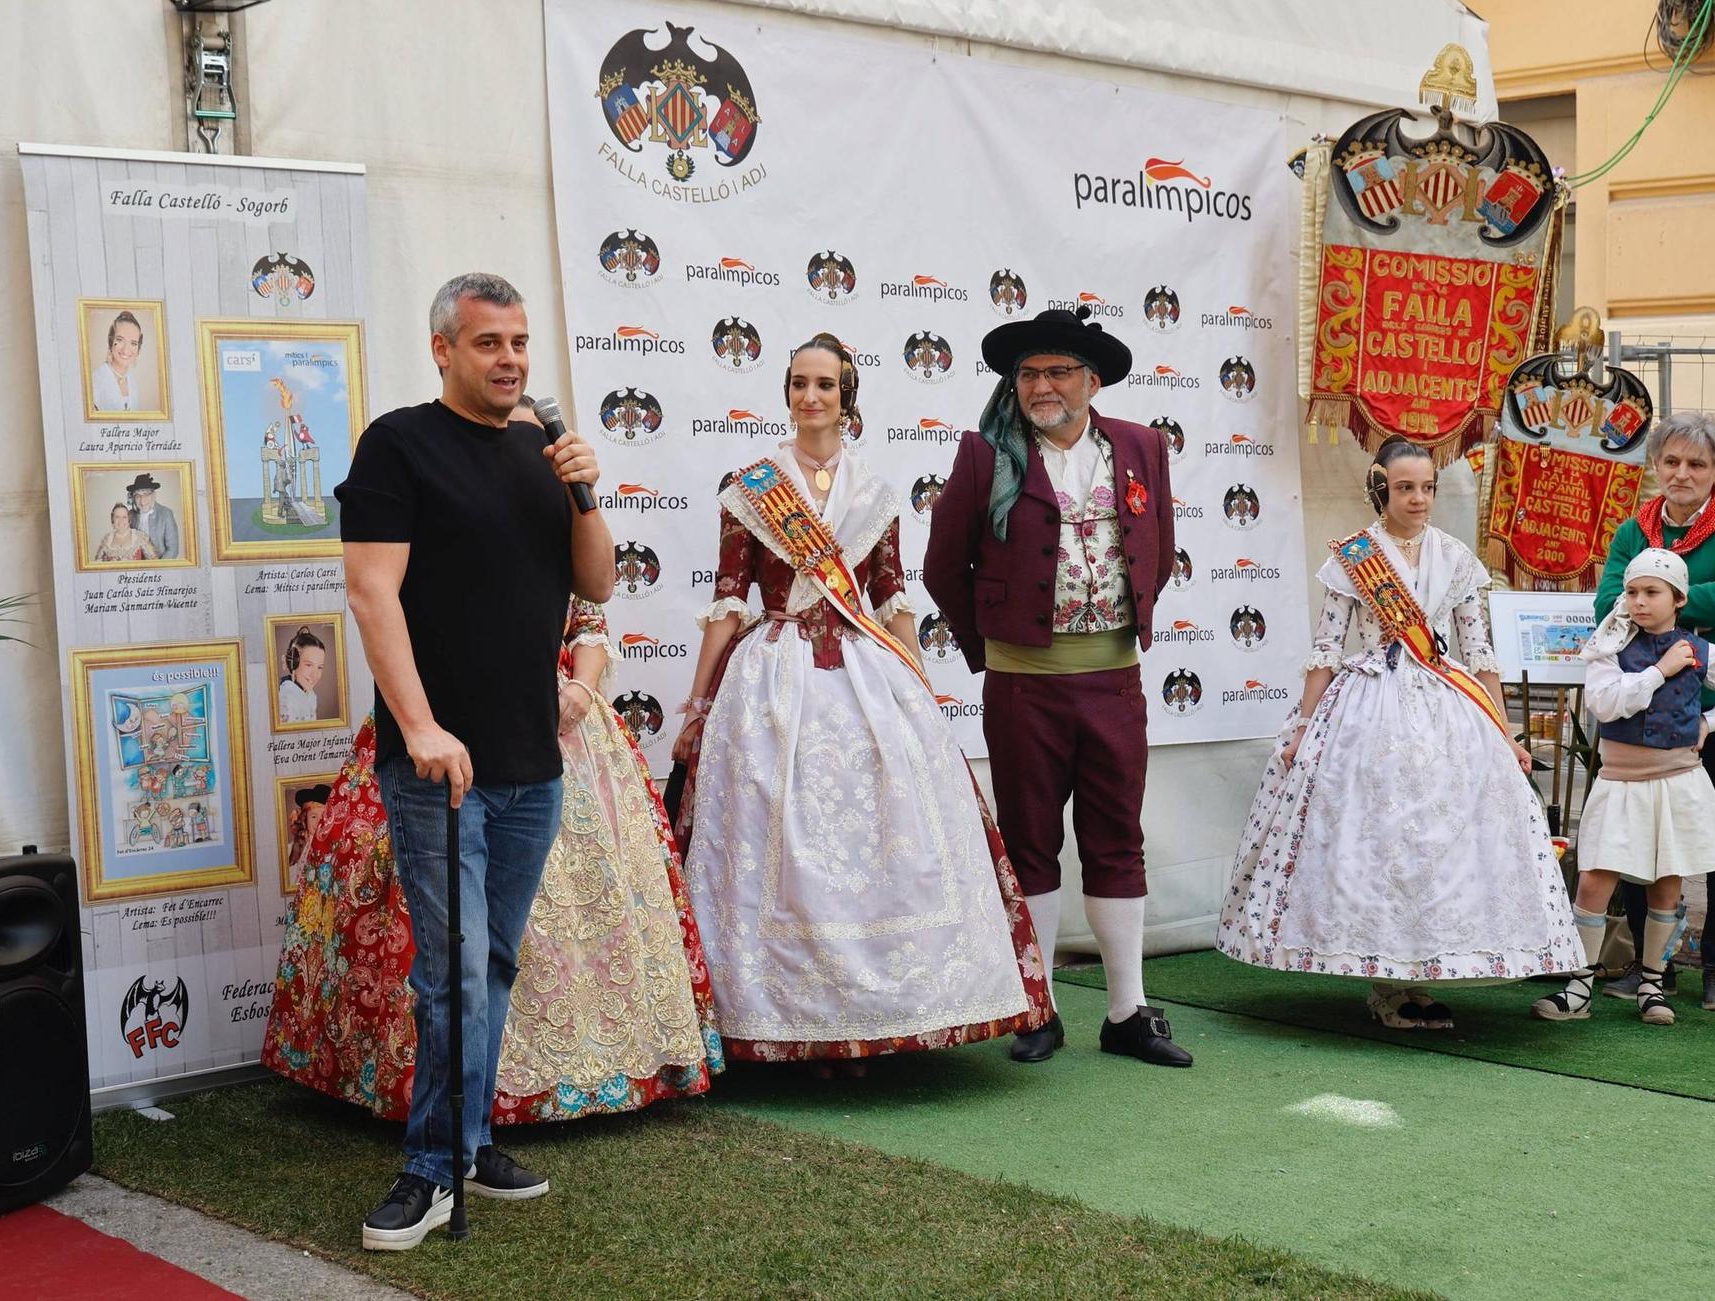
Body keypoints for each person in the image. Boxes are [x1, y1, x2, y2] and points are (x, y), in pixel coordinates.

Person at [671, 333, 1052, 1070]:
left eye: (824, 384)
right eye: (797, 383)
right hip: (773, 674)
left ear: (847, 396)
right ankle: (771, 1011)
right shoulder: (750, 485)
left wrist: (917, 678)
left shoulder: (875, 491)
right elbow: (727, 600)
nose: (809, 396)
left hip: (863, 672)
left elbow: (889, 593)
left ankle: (894, 1008)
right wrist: (696, 703)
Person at [337, 272, 611, 1252]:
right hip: (437, 771)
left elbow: (597, 581)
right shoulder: (398, 445)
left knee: (489, 965)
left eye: (520, 343)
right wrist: (418, 727)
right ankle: (430, 1169)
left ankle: (469, 1139)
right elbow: (372, 596)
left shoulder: (545, 447)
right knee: (449, 973)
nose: (510, 360)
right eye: (489, 342)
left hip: (532, 764)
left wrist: (581, 490)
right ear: (443, 348)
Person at [264, 598, 722, 1126]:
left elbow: (591, 618)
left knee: (516, 928)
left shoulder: (563, 518)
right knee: (446, 928)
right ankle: (440, 1115)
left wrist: (580, 686)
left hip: (550, 726)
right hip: (442, 716)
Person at [1216, 437, 1584, 1028]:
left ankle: (1421, 976)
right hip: (1369, 707)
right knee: (1378, 840)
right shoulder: (1355, 556)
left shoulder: (1458, 557)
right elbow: (1326, 647)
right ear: (1382, 486)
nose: (1419, 499)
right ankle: (1384, 983)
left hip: (1448, 708)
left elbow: (1479, 650)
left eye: (1428, 487)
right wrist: (1304, 725)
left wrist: (1506, 731)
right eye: (1406, 487)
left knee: (1438, 847)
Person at [924, 305, 1190, 1068]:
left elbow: (1160, 549)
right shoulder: (985, 453)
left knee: (1117, 838)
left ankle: (1126, 1010)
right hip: (1023, 688)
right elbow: (945, 566)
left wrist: (1118, 624)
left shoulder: (1141, 447)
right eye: (1031, 372)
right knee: (1031, 839)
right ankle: (1037, 1006)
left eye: (1059, 371)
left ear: (1091, 380)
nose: (1042, 385)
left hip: (1115, 682)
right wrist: (995, 652)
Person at [1532, 550, 1715, 1025]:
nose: (1639, 601)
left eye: (1652, 592)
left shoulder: (1701, 652)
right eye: (1633, 592)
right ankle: (1578, 987)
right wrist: (1660, 671)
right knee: (1597, 876)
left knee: (1667, 880)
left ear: (1678, 599)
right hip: (1620, 780)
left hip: (1677, 779)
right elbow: (1605, 704)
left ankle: (1652, 985)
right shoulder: (1610, 647)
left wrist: (1710, 721)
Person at [1595, 412, 1715, 1014]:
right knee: (1646, 842)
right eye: (1671, 461)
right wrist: (1684, 597)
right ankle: (1654, 970)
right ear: (1656, 467)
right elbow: (1608, 604)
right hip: (1645, 712)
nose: (1682, 473)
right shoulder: (1632, 529)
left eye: (1697, 464)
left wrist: (1660, 595)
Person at [92, 310, 148, 412]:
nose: (126, 350)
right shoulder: (95, 381)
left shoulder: (132, 381)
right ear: (111, 342)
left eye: (133, 343)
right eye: (120, 340)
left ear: (138, 349)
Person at [276, 626, 327, 725]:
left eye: (319, 667)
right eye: (308, 665)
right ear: (293, 662)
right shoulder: (285, 697)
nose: (315, 675)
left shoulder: (311, 695)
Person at [127, 473, 182, 562]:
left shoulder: (166, 514)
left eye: (146, 494)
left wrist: (158, 568)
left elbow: (173, 549)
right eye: (138, 495)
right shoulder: (131, 515)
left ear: (154, 495)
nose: (142, 501)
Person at [92, 502, 160, 563]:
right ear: (112, 520)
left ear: (129, 520)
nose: (121, 520)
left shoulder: (140, 537)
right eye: (117, 517)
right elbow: (97, 563)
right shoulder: (106, 539)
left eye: (124, 517)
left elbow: (154, 561)